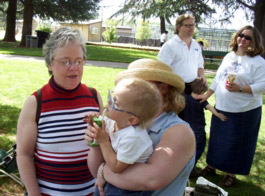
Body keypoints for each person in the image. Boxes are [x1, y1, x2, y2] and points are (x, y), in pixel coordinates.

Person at [85, 58, 196, 196]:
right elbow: (94, 169)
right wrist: (96, 141)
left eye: (139, 82)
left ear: (163, 87)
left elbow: (150, 179)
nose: (131, 87)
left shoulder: (179, 132)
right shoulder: (120, 121)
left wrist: (103, 170)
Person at [16, 28, 104, 195]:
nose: (74, 68)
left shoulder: (94, 97)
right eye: (65, 61)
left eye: (79, 61)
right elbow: (24, 155)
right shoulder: (36, 102)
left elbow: (106, 146)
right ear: (50, 63)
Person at [197, 25, 265, 187]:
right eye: (241, 35)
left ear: (254, 41)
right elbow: (218, 79)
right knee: (217, 140)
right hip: (222, 107)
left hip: (244, 111)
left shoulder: (258, 61)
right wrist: (206, 95)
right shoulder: (229, 56)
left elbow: (263, 86)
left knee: (238, 143)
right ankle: (212, 166)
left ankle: (231, 174)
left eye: (248, 37)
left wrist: (241, 88)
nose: (243, 39)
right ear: (236, 36)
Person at [85, 78, 162, 196]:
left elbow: (116, 167)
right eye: (111, 96)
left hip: (127, 190)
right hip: (112, 180)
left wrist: (104, 141)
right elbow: (101, 130)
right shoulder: (112, 120)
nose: (108, 102)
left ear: (131, 120)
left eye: (115, 102)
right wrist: (94, 123)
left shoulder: (134, 137)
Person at [183, 78, 227, 177]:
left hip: (186, 128)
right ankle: (189, 167)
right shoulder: (202, 101)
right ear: (203, 91)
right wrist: (219, 115)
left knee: (187, 148)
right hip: (198, 129)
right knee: (199, 147)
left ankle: (185, 165)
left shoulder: (185, 98)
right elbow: (210, 108)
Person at [158, 14, 207, 96]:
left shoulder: (196, 46)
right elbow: (162, 69)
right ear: (178, 27)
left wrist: (202, 75)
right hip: (175, 89)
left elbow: (200, 65)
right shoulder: (170, 45)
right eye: (187, 25)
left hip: (193, 89)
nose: (191, 28)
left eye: (192, 25)